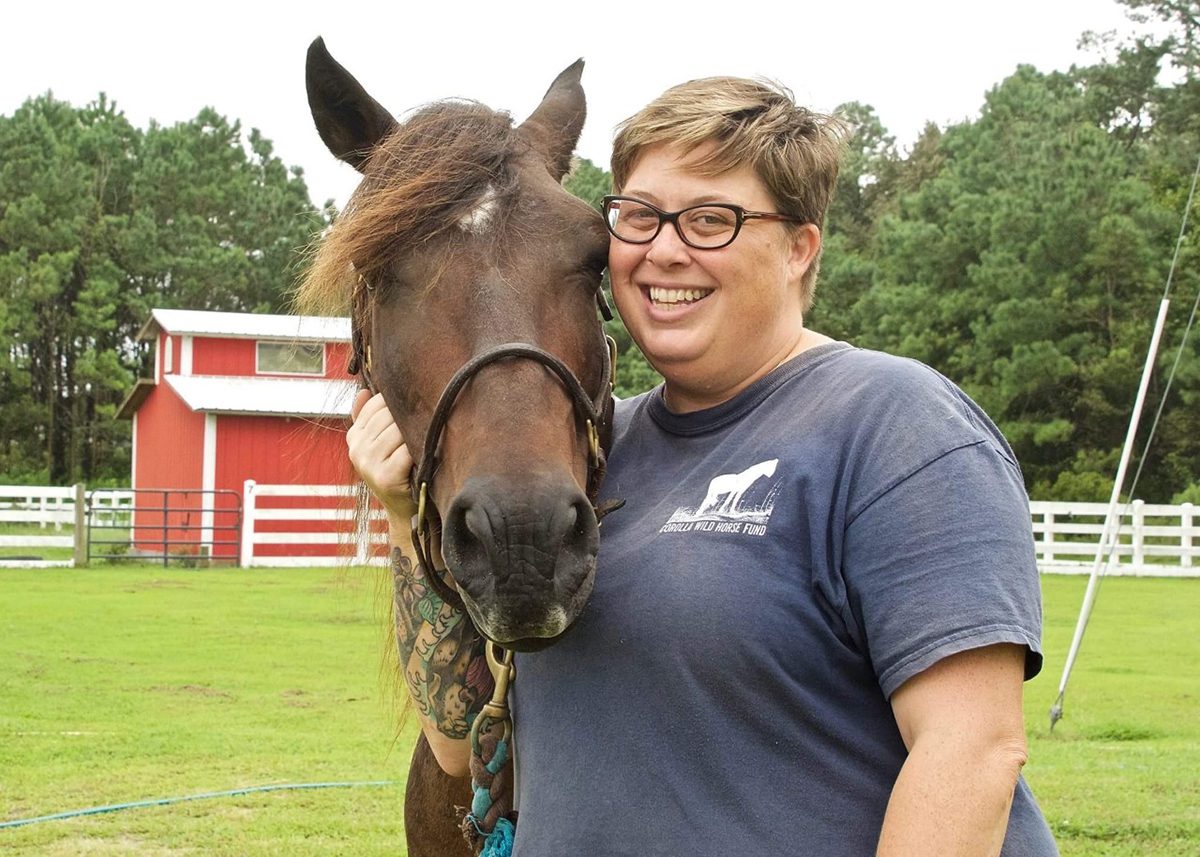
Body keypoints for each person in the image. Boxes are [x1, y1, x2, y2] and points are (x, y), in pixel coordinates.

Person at [347, 77, 1058, 856]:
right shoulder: (589, 457)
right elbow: (460, 748)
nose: (664, 249)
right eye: (641, 216)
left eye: (712, 220)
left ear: (799, 248)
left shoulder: (897, 424)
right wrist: (400, 518)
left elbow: (971, 750)